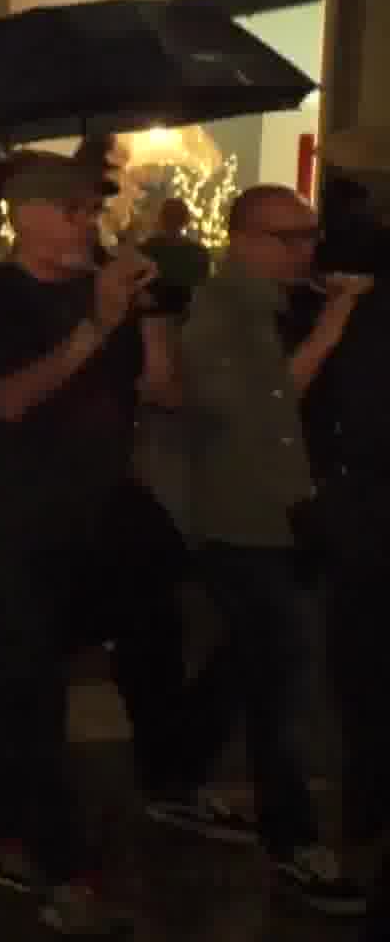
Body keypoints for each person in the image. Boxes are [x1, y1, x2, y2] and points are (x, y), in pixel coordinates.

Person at [0, 153, 190, 936]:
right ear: (33, 216)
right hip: (9, 518)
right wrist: (98, 326)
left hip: (96, 515)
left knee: (45, 665)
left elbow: (165, 391)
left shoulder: (108, 291)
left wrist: (150, 322)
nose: (93, 223)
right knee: (38, 686)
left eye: (96, 210)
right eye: (79, 210)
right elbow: (9, 400)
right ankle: (64, 861)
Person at [174, 184, 370, 916]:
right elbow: (266, 405)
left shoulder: (276, 305)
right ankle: (293, 842)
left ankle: (177, 771)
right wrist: (340, 316)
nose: (305, 251)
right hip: (241, 513)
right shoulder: (221, 311)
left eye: (309, 235)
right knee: (280, 682)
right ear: (242, 240)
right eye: (286, 238)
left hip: (281, 511)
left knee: (246, 659)